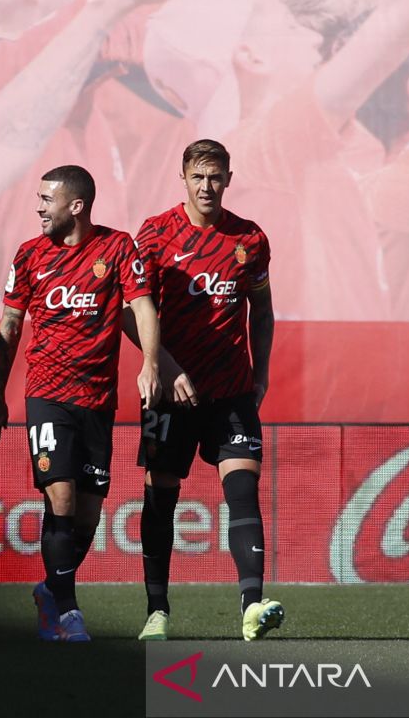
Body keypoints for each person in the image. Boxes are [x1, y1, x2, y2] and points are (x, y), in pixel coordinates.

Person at [0, 164, 160, 642]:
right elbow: (9, 326)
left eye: (47, 199)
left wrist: (151, 364)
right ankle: (67, 613)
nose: (39, 207)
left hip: (98, 401)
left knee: (87, 514)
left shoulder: (118, 247)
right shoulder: (28, 255)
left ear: (76, 206)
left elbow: (142, 305)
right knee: (59, 495)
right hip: (46, 396)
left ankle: (49, 588)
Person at [128, 139, 279, 642]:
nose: (207, 186)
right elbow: (132, 311)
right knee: (160, 499)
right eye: (198, 176)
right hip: (169, 396)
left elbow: (263, 310)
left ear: (229, 179)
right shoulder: (154, 234)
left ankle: (252, 607)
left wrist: (260, 375)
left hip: (231, 391)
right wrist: (164, 366)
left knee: (243, 491)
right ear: (184, 177)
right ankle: (157, 611)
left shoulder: (250, 239)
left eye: (216, 177)